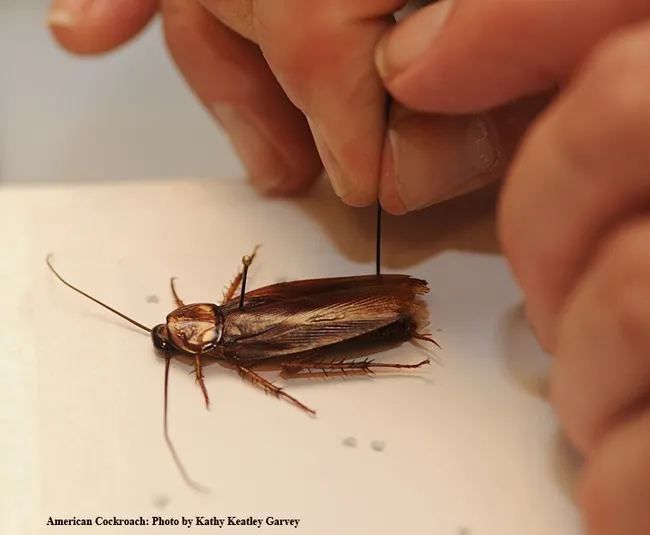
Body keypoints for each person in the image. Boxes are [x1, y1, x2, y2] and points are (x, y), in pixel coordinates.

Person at [46, 1, 650, 532]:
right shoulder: (226, 323)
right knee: (290, 366)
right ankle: (399, 330)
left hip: (297, 311)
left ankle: (396, 319)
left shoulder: (224, 347)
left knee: (288, 366)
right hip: (302, 318)